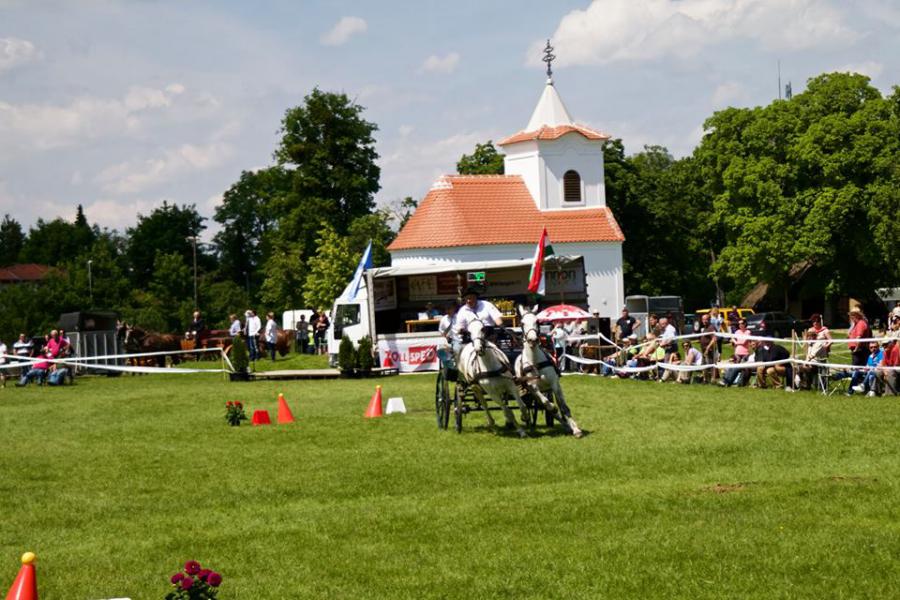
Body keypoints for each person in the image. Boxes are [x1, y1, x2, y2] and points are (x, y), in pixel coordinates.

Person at [847, 309, 872, 390]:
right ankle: (858, 388)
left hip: (859, 350)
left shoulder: (861, 324)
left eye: (852, 316)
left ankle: (851, 390)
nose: (851, 318)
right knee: (857, 370)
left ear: (856, 316)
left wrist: (856, 349)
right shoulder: (856, 324)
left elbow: (859, 338)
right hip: (858, 350)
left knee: (856, 370)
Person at [698, 313, 718, 383]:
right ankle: (705, 379)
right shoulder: (705, 328)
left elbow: (714, 339)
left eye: (706, 319)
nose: (704, 321)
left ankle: (713, 379)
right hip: (704, 350)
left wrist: (708, 347)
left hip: (710, 350)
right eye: (703, 319)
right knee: (704, 365)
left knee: (711, 364)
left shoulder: (711, 327)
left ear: (709, 320)